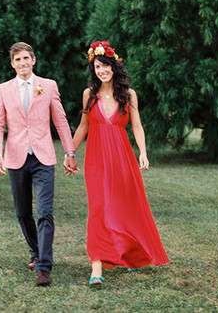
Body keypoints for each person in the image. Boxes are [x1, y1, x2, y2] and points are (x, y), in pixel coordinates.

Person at [72, 40, 169, 285]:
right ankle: (96, 265)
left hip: (122, 158)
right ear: (93, 70)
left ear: (113, 66)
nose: (102, 71)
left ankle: (131, 255)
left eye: (105, 65)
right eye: (97, 67)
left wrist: (143, 152)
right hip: (96, 159)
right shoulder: (88, 95)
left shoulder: (128, 95)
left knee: (123, 206)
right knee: (98, 208)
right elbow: (83, 126)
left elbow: (137, 126)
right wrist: (70, 153)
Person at [0, 42, 78, 286]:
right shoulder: (2, 90)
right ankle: (36, 251)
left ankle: (44, 267)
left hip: (43, 158)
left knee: (45, 212)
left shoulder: (48, 86)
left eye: (26, 58)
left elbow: (60, 120)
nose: (22, 63)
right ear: (12, 64)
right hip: (16, 158)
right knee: (22, 212)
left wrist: (69, 151)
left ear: (33, 60)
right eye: (17, 59)